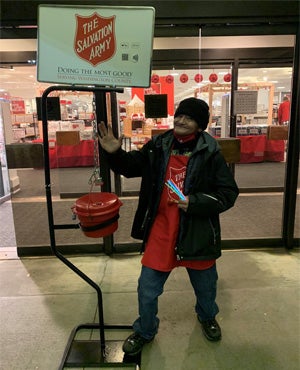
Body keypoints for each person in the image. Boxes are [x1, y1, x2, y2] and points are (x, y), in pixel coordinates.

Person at [98, 97, 239, 356]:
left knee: (206, 287)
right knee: (147, 289)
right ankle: (145, 330)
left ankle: (207, 317)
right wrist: (114, 153)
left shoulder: (210, 152)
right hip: (162, 229)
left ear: (200, 125)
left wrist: (194, 202)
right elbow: (131, 168)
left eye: (189, 117)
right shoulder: (159, 145)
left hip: (197, 232)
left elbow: (228, 193)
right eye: (179, 115)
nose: (181, 120)